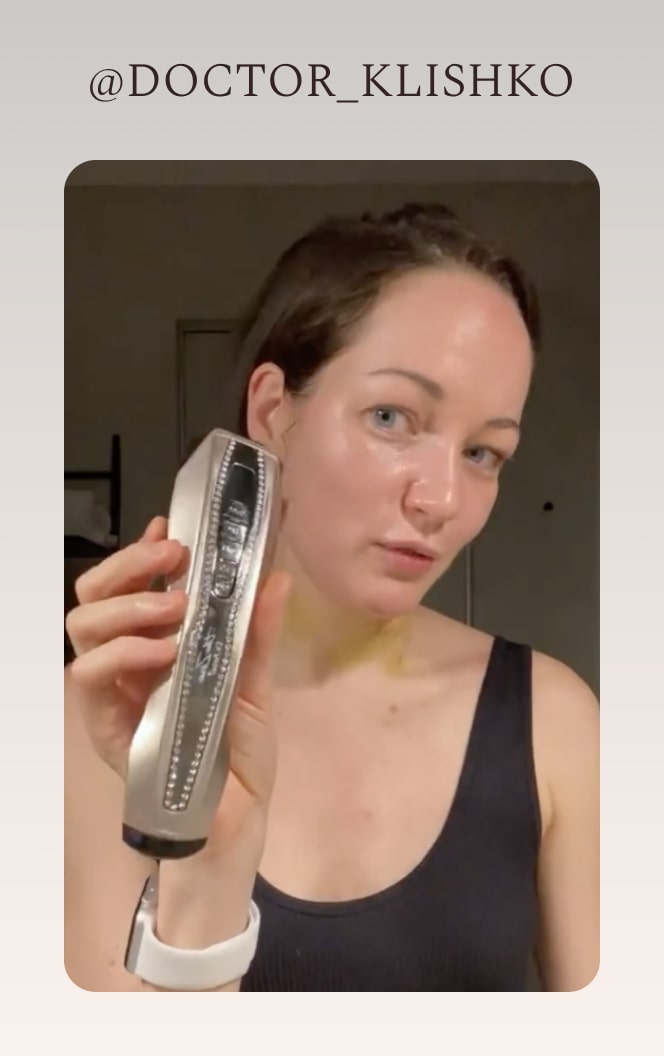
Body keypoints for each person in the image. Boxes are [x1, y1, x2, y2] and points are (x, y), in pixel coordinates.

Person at [64, 202, 599, 992]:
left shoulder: (554, 723)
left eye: (485, 452)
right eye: (392, 417)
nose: (443, 498)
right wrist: (206, 867)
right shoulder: (107, 718)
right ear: (273, 411)